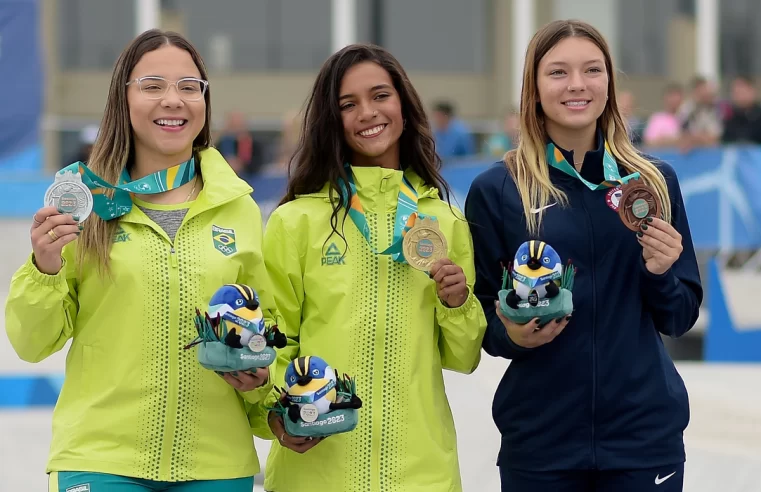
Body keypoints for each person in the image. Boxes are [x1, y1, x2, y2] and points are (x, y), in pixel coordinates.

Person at [4, 29, 278, 492]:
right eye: (152, 85)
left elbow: (265, 325)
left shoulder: (239, 208)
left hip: (214, 466)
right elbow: (32, 343)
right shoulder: (84, 201)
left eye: (189, 87)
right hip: (100, 460)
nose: (174, 100)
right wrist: (44, 268)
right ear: (123, 99)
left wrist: (262, 378)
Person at [465, 20, 702, 492]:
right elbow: (481, 317)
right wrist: (514, 336)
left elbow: (679, 317)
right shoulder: (499, 190)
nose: (577, 84)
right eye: (558, 72)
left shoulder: (652, 183)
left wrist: (660, 273)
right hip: (541, 441)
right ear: (533, 86)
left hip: (643, 438)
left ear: (609, 83)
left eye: (592, 70)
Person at [252, 43, 487, 492]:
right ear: (331, 120)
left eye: (380, 95)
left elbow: (463, 356)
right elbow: (275, 344)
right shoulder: (295, 221)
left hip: (421, 474)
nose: (367, 112)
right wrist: (284, 417)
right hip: (316, 472)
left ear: (403, 103)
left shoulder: (444, 222)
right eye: (348, 104)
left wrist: (457, 303)